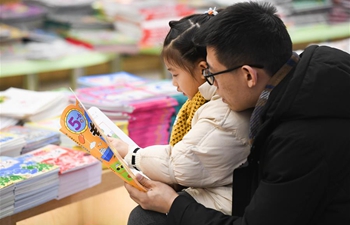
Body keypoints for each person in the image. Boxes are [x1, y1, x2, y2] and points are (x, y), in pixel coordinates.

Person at [124, 1, 350, 225]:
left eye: (213, 74)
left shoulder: (299, 139)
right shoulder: (307, 80)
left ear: (249, 76)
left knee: (147, 218)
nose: (211, 84)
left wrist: (172, 204)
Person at [109, 7, 253, 223]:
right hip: (219, 194)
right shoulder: (204, 102)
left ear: (205, 69)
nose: (174, 84)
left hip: (225, 208)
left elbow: (182, 163)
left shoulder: (223, 110)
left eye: (175, 74)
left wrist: (133, 155)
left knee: (144, 218)